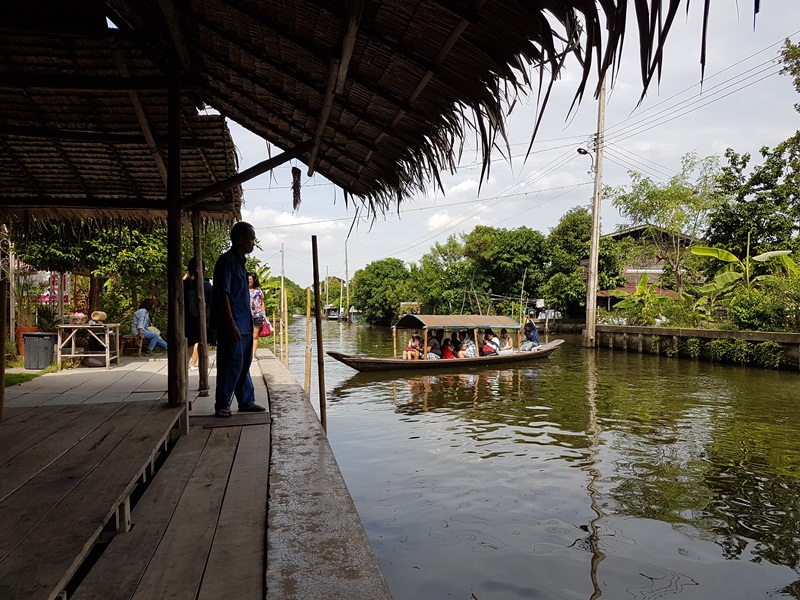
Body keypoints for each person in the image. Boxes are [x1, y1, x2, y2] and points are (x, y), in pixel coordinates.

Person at [211, 222, 266, 418]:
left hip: (245, 322)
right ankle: (222, 404)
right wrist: (230, 323)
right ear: (240, 240)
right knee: (230, 365)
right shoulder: (227, 262)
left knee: (243, 364)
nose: (253, 243)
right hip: (232, 324)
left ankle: (246, 401)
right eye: (251, 239)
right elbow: (222, 294)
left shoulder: (241, 264)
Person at [184, 257, 213, 370]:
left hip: (187, 322)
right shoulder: (206, 286)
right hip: (204, 322)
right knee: (204, 351)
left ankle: (182, 378)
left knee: (187, 352)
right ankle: (203, 380)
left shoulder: (183, 285)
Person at [249, 272, 266, 359]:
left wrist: (264, 316)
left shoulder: (259, 291)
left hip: (257, 315)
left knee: (255, 336)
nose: (248, 281)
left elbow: (262, 303)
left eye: (250, 279)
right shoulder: (243, 289)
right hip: (246, 315)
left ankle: (253, 355)